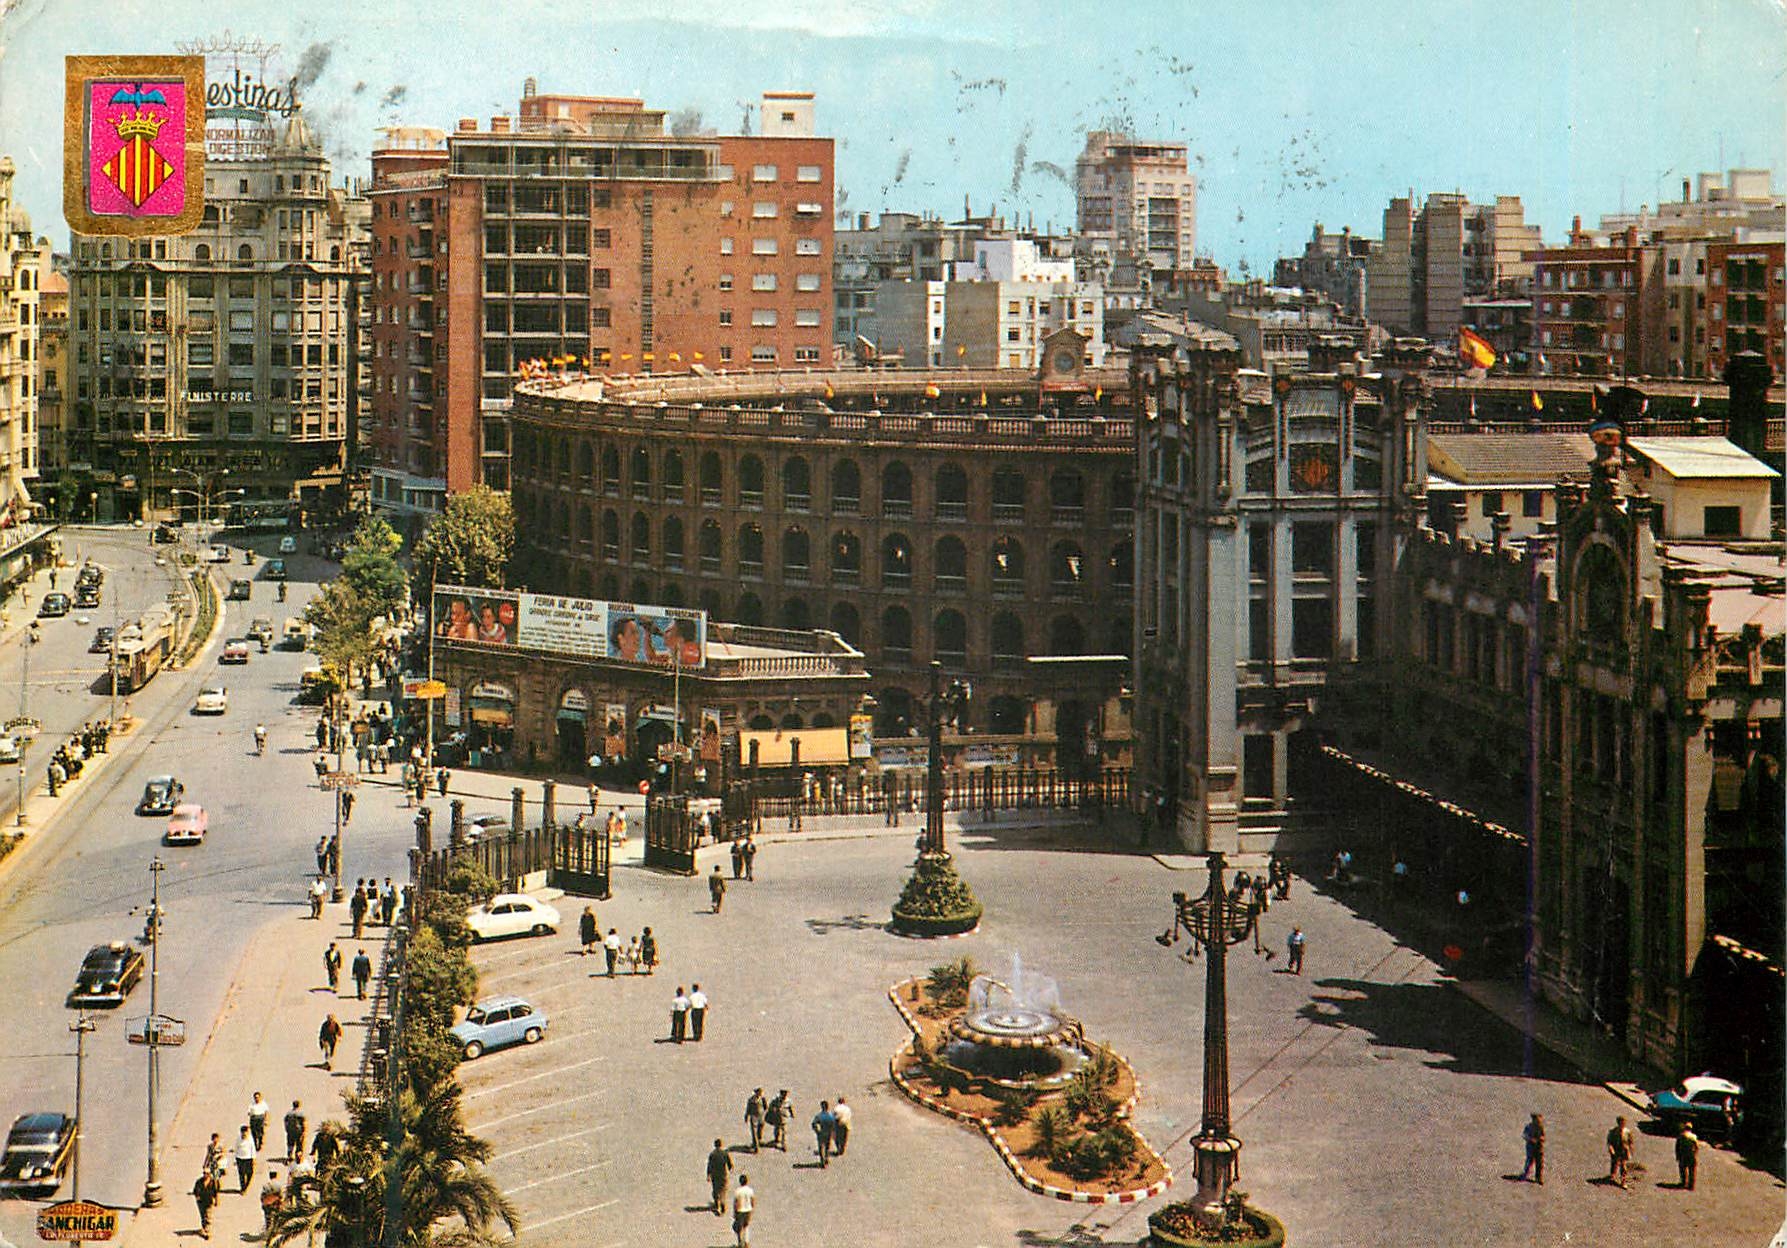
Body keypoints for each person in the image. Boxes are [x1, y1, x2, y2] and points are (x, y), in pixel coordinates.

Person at [192, 1164, 220, 1239]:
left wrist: (216, 1200)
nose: (205, 1175)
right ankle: (204, 1228)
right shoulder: (199, 1181)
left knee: (208, 1215)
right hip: (201, 1202)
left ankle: (207, 1231)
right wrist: (197, 1197)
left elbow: (216, 1191)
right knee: (203, 1215)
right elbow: (195, 1191)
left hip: (209, 1201)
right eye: (204, 1173)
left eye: (207, 1174)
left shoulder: (213, 1182)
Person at [706, 1138, 733, 1215]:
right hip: (723, 1175)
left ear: (714, 1145)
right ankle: (723, 1205)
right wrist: (730, 1169)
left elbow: (709, 1165)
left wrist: (708, 1175)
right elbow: (730, 1165)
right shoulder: (725, 1153)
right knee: (723, 1191)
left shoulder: (712, 1154)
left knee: (716, 1191)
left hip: (715, 1175)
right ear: (721, 1145)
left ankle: (717, 1206)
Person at [1607, 1115, 1634, 1188]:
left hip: (1624, 1150)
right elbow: (1609, 1142)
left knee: (1624, 1166)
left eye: (1624, 1123)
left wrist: (1630, 1151)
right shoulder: (1613, 1131)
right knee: (1614, 1163)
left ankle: (1623, 1181)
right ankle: (1613, 1175)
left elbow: (1631, 1142)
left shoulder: (1627, 1132)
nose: (1622, 1124)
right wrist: (1611, 1149)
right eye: (1621, 1123)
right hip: (1616, 1150)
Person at [731, 1173, 755, 1247]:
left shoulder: (738, 1191)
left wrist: (735, 1212)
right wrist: (752, 1208)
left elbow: (736, 1202)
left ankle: (740, 1243)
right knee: (746, 1226)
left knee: (739, 1228)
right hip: (748, 1210)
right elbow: (752, 1200)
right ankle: (746, 1242)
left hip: (740, 1211)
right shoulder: (750, 1190)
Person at [1520, 1112, 1545, 1183]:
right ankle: (1525, 1174)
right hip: (1531, 1147)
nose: (1538, 1122)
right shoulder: (1529, 1126)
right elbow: (1524, 1135)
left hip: (1539, 1147)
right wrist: (1530, 1139)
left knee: (1539, 1163)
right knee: (1529, 1161)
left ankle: (1539, 1178)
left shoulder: (1541, 1127)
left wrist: (1541, 1138)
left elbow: (1543, 1136)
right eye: (1537, 1120)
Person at [258, 1168, 283, 1236]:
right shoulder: (279, 1185)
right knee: (277, 1218)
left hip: (268, 1204)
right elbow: (281, 1195)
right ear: (276, 1175)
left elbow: (263, 1195)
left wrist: (263, 1203)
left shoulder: (266, 1185)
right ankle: (275, 1231)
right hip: (276, 1204)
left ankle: (268, 1231)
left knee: (268, 1219)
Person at [812, 1100, 837, 1168]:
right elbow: (834, 1124)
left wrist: (817, 1131)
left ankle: (822, 1162)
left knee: (821, 1148)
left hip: (821, 1133)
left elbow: (814, 1124)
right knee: (827, 1147)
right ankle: (826, 1159)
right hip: (829, 1133)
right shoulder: (831, 1116)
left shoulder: (819, 1116)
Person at [233, 1124, 257, 1193]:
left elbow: (253, 1148)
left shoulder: (250, 1138)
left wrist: (254, 1158)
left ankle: (246, 1186)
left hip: (249, 1158)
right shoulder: (238, 1139)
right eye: (244, 1133)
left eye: (247, 1133)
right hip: (240, 1158)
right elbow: (236, 1149)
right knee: (242, 1174)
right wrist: (235, 1159)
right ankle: (243, 1188)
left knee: (250, 1173)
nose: (245, 1135)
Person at [1675, 1124, 1699, 1190]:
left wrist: (1677, 1155)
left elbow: (1677, 1146)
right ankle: (1691, 1185)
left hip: (1683, 1154)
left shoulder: (1681, 1135)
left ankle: (1684, 1182)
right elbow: (1696, 1146)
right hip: (1691, 1154)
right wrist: (1695, 1154)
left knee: (1683, 1169)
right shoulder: (1694, 1136)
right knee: (1692, 1170)